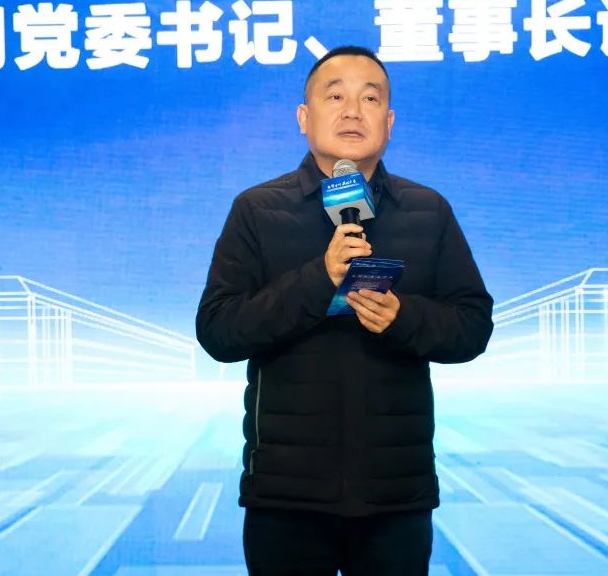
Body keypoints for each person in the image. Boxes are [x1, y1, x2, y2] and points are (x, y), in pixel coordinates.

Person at [196, 46, 493, 576]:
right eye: (335, 97)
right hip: (285, 496)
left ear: (389, 122)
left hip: (396, 495)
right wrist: (319, 278)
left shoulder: (428, 210)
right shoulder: (257, 210)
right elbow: (218, 330)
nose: (353, 111)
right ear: (304, 117)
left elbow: (472, 325)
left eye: (369, 99)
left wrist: (403, 319)